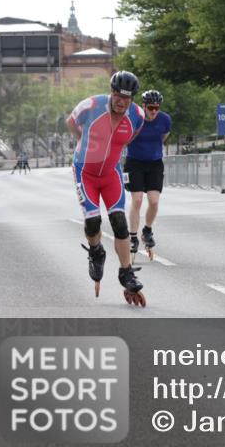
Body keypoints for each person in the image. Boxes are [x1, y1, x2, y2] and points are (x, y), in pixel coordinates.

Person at [66, 71, 147, 306]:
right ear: (111, 92)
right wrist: (85, 141)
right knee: (93, 222)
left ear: (132, 99)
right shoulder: (90, 105)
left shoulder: (137, 116)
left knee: (120, 222)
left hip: (111, 173)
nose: (121, 101)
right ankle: (96, 251)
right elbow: (71, 123)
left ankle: (126, 272)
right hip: (85, 172)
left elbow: (131, 136)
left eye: (127, 98)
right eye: (117, 95)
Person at [125, 90, 172, 259]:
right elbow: (125, 138)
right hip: (134, 163)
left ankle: (147, 230)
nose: (154, 111)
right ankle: (132, 237)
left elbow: (163, 137)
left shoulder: (165, 120)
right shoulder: (134, 118)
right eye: (150, 107)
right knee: (136, 200)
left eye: (156, 108)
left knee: (153, 201)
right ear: (143, 106)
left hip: (154, 163)